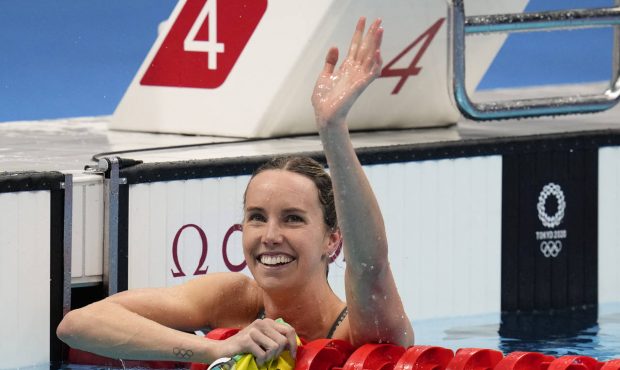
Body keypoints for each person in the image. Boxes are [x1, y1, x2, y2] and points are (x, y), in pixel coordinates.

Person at [57, 16, 414, 365]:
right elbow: (78, 325)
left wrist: (332, 130)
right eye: (257, 218)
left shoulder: (360, 332)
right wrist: (216, 350)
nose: (270, 236)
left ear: (333, 240)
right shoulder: (234, 302)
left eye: (293, 219)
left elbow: (370, 266)